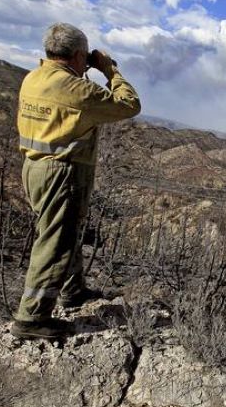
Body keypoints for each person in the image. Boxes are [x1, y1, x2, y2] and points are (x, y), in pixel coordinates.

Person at [11, 22, 141, 340]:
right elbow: (129, 105)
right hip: (62, 173)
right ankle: (32, 318)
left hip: (34, 167)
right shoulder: (75, 89)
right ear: (79, 54)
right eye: (85, 57)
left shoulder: (34, 78)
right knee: (54, 242)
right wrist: (109, 70)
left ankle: (73, 291)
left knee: (64, 233)